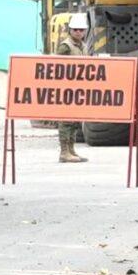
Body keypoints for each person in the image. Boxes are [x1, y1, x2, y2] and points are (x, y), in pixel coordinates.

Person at [56, 12, 89, 163]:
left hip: (79, 88)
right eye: (75, 29)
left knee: (75, 120)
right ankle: (64, 152)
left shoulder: (84, 46)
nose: (78, 32)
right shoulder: (65, 46)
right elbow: (58, 68)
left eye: (81, 30)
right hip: (66, 88)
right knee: (65, 120)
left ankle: (71, 150)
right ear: (70, 30)